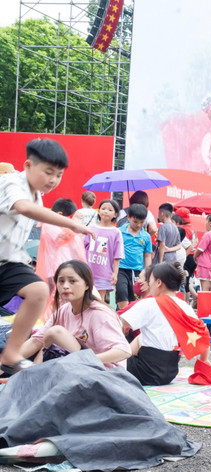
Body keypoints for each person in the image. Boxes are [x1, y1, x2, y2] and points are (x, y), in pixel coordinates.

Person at [0, 139, 95, 375]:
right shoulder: (11, 183)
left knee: (39, 291)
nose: (53, 180)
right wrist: (71, 224)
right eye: (48, 172)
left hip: (8, 262)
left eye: (59, 175)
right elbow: (23, 207)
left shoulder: (37, 196)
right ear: (28, 165)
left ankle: (11, 354)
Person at [19, 260, 130, 369]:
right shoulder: (63, 311)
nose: (65, 286)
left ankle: (36, 373)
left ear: (87, 285)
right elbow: (36, 341)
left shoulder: (99, 314)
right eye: (61, 281)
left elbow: (124, 350)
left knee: (55, 333)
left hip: (105, 373)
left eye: (72, 281)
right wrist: (9, 359)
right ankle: (34, 373)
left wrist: (86, 360)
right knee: (47, 339)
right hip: (79, 367)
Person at [120, 262, 211, 386]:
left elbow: (119, 324)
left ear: (158, 282)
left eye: (149, 281)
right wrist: (204, 361)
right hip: (169, 373)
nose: (148, 284)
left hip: (144, 371)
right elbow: (204, 334)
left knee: (110, 361)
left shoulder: (149, 303)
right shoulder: (185, 306)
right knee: (141, 337)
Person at [36, 197, 87, 288]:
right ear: (59, 215)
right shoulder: (49, 224)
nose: (71, 221)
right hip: (52, 269)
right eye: (70, 218)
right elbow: (65, 235)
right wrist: (76, 222)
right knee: (54, 294)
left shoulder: (65, 227)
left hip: (66, 267)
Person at [84, 199, 124, 304]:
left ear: (115, 214)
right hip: (87, 271)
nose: (106, 211)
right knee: (85, 298)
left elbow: (117, 255)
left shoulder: (116, 232)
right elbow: (83, 247)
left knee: (99, 300)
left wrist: (115, 273)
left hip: (104, 273)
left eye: (110, 210)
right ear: (98, 211)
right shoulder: (90, 229)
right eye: (103, 209)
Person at [116, 204, 153, 310]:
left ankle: (127, 314)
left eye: (142, 222)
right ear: (128, 217)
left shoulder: (146, 236)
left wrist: (147, 272)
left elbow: (147, 255)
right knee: (121, 292)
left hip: (137, 271)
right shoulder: (119, 232)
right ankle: (122, 313)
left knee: (133, 296)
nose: (138, 225)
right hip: (120, 268)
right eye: (135, 222)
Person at [194, 214, 211, 292]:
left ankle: (205, 300)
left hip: (204, 263)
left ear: (210, 223)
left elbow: (200, 249)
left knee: (204, 287)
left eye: (207, 221)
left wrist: (195, 256)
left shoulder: (207, 235)